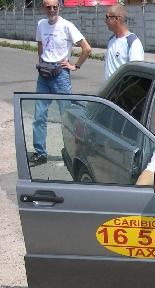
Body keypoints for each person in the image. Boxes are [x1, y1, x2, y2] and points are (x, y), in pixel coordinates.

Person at [31, 0, 91, 166]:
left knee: (67, 117)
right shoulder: (41, 24)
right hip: (44, 75)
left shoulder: (67, 26)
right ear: (43, 7)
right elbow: (40, 44)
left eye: (55, 6)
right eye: (48, 7)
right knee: (39, 116)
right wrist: (42, 62)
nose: (52, 9)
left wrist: (75, 66)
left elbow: (87, 48)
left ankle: (73, 154)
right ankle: (40, 153)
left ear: (59, 7)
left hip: (60, 75)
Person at [104, 5, 144, 80]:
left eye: (107, 17)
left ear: (117, 18)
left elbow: (135, 74)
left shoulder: (132, 42)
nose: (105, 21)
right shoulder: (111, 40)